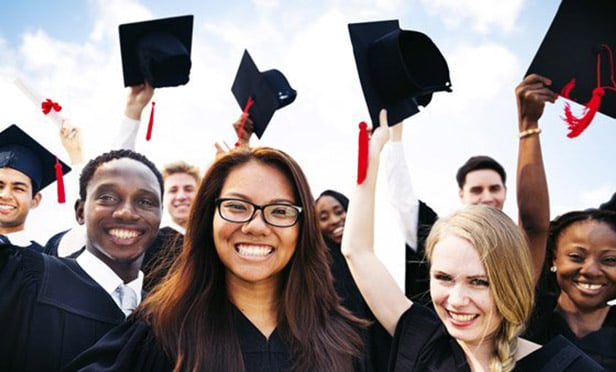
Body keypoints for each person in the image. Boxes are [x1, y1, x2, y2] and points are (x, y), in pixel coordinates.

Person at [341, 111, 603, 371]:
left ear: (512, 283)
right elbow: (356, 251)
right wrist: (373, 153)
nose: (456, 300)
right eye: (444, 277)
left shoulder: (569, 368)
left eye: (479, 282)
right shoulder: (423, 341)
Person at [67, 147, 366, 372]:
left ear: (303, 229)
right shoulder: (162, 331)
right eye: (236, 206)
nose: (257, 226)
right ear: (208, 218)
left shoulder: (344, 339)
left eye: (280, 211)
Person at [384, 74, 552, 302]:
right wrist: (392, 132)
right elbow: (400, 198)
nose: (487, 197)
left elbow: (533, 225)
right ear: (462, 194)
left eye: (494, 189)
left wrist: (528, 125)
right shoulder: (438, 238)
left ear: (505, 192)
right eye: (476, 190)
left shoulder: (518, 251)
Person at [0, 149, 163, 371]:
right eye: (107, 197)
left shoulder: (166, 317)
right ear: (79, 212)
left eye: (145, 201)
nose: (127, 213)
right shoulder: (24, 279)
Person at [525, 208, 616, 370]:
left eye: (609, 260)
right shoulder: (529, 321)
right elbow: (533, 225)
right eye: (576, 257)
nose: (591, 270)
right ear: (554, 259)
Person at [316, 189, 391, 371]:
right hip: (346, 353)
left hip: (384, 348)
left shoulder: (375, 251)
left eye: (339, 211)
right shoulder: (318, 268)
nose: (334, 220)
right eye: (323, 217)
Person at [0, 124, 71, 251]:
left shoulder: (47, 261)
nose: (5, 195)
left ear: (35, 200)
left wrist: (76, 155)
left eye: (18, 188)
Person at [139, 160, 200, 291]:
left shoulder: (214, 241)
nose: (181, 196)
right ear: (162, 198)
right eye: (173, 190)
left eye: (189, 189)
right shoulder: (148, 244)